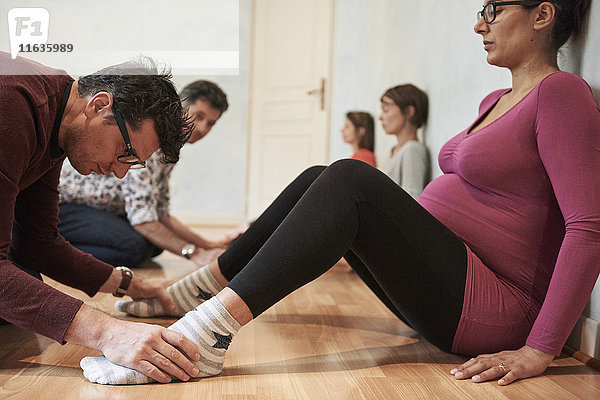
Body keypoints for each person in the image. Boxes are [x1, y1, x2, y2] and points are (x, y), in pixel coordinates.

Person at [79, 0, 599, 388]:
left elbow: (588, 227)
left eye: (494, 8)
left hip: (492, 305)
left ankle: (206, 332)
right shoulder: (496, 98)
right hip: (448, 283)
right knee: (318, 175)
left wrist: (539, 349)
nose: (479, 22)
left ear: (542, 15)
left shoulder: (562, 93)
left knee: (350, 177)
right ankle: (194, 293)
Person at [0, 52, 205, 384]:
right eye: (126, 152)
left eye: (133, 162)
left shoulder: (57, 123)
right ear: (99, 105)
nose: (121, 173)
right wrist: (108, 332)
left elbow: (38, 244)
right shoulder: (11, 103)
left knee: (24, 292)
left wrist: (133, 286)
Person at [58, 80, 231, 268]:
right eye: (199, 116)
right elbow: (143, 221)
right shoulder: (151, 141)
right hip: (67, 205)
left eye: (211, 123)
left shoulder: (168, 150)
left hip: (103, 210)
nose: (202, 128)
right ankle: (57, 250)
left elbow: (161, 214)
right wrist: (194, 253)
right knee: (136, 247)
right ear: (181, 104)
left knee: (156, 245)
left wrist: (208, 245)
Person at [378, 84, 429, 199]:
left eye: (386, 110)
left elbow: (413, 198)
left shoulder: (412, 149)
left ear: (409, 112)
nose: (380, 117)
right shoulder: (393, 152)